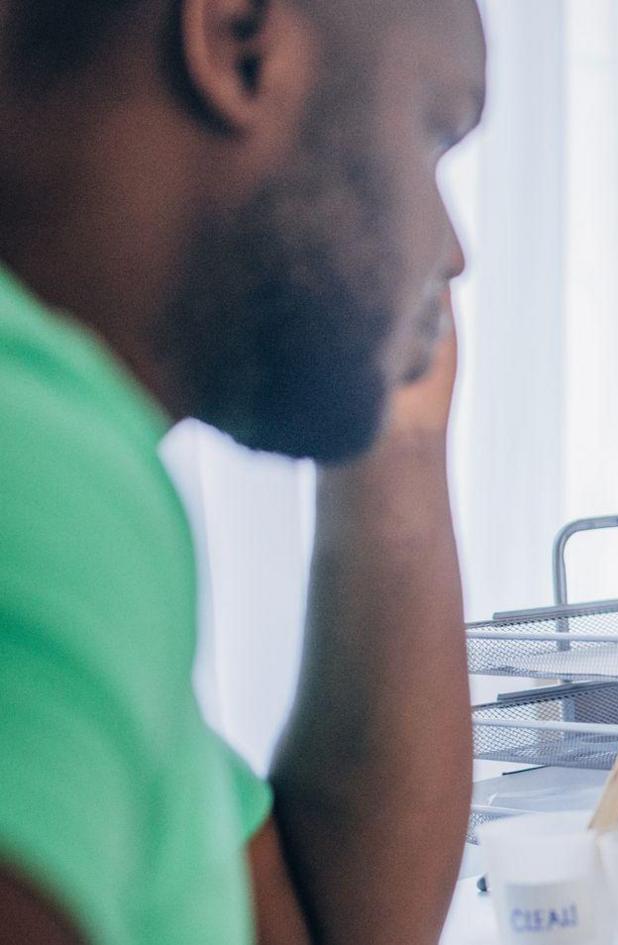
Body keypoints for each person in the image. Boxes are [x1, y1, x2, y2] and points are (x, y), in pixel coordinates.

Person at [0, 0, 485, 942]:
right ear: (241, 46)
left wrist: (396, 430)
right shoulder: (39, 465)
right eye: (434, 130)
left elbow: (336, 925)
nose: (454, 249)